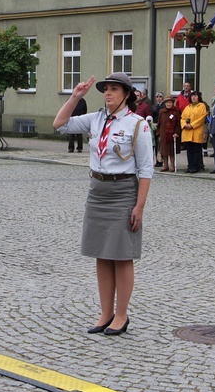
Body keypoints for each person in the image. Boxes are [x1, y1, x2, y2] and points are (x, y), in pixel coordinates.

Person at [53, 73, 153, 337]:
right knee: (101, 254)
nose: (108, 94)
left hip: (123, 192)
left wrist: (139, 207)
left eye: (114, 90)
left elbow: (145, 169)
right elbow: (60, 124)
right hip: (97, 192)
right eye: (105, 89)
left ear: (127, 94)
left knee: (122, 256)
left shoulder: (137, 125)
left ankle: (122, 315)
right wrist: (76, 96)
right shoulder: (96, 119)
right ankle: (105, 312)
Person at [180, 91, 208, 173]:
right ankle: (190, 165)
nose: (194, 98)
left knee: (196, 149)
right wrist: (184, 125)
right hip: (187, 131)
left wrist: (192, 125)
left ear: (198, 97)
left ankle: (196, 166)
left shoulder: (202, 106)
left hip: (196, 131)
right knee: (189, 150)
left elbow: (202, 118)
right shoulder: (188, 107)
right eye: (192, 96)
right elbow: (183, 118)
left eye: (195, 96)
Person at [157, 95, 181, 172]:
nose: (168, 104)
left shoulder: (176, 111)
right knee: (164, 151)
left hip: (172, 134)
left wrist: (177, 132)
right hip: (163, 133)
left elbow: (178, 123)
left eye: (170, 102)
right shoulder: (162, 111)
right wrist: (158, 132)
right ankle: (165, 165)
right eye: (167, 102)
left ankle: (172, 166)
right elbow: (159, 123)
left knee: (171, 151)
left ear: (172, 103)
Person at [151, 92, 165, 167]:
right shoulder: (154, 106)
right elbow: (152, 116)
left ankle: (161, 160)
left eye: (160, 97)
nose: (159, 98)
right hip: (155, 126)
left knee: (161, 144)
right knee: (156, 144)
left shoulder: (164, 106)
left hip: (162, 126)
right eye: (157, 97)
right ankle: (157, 160)